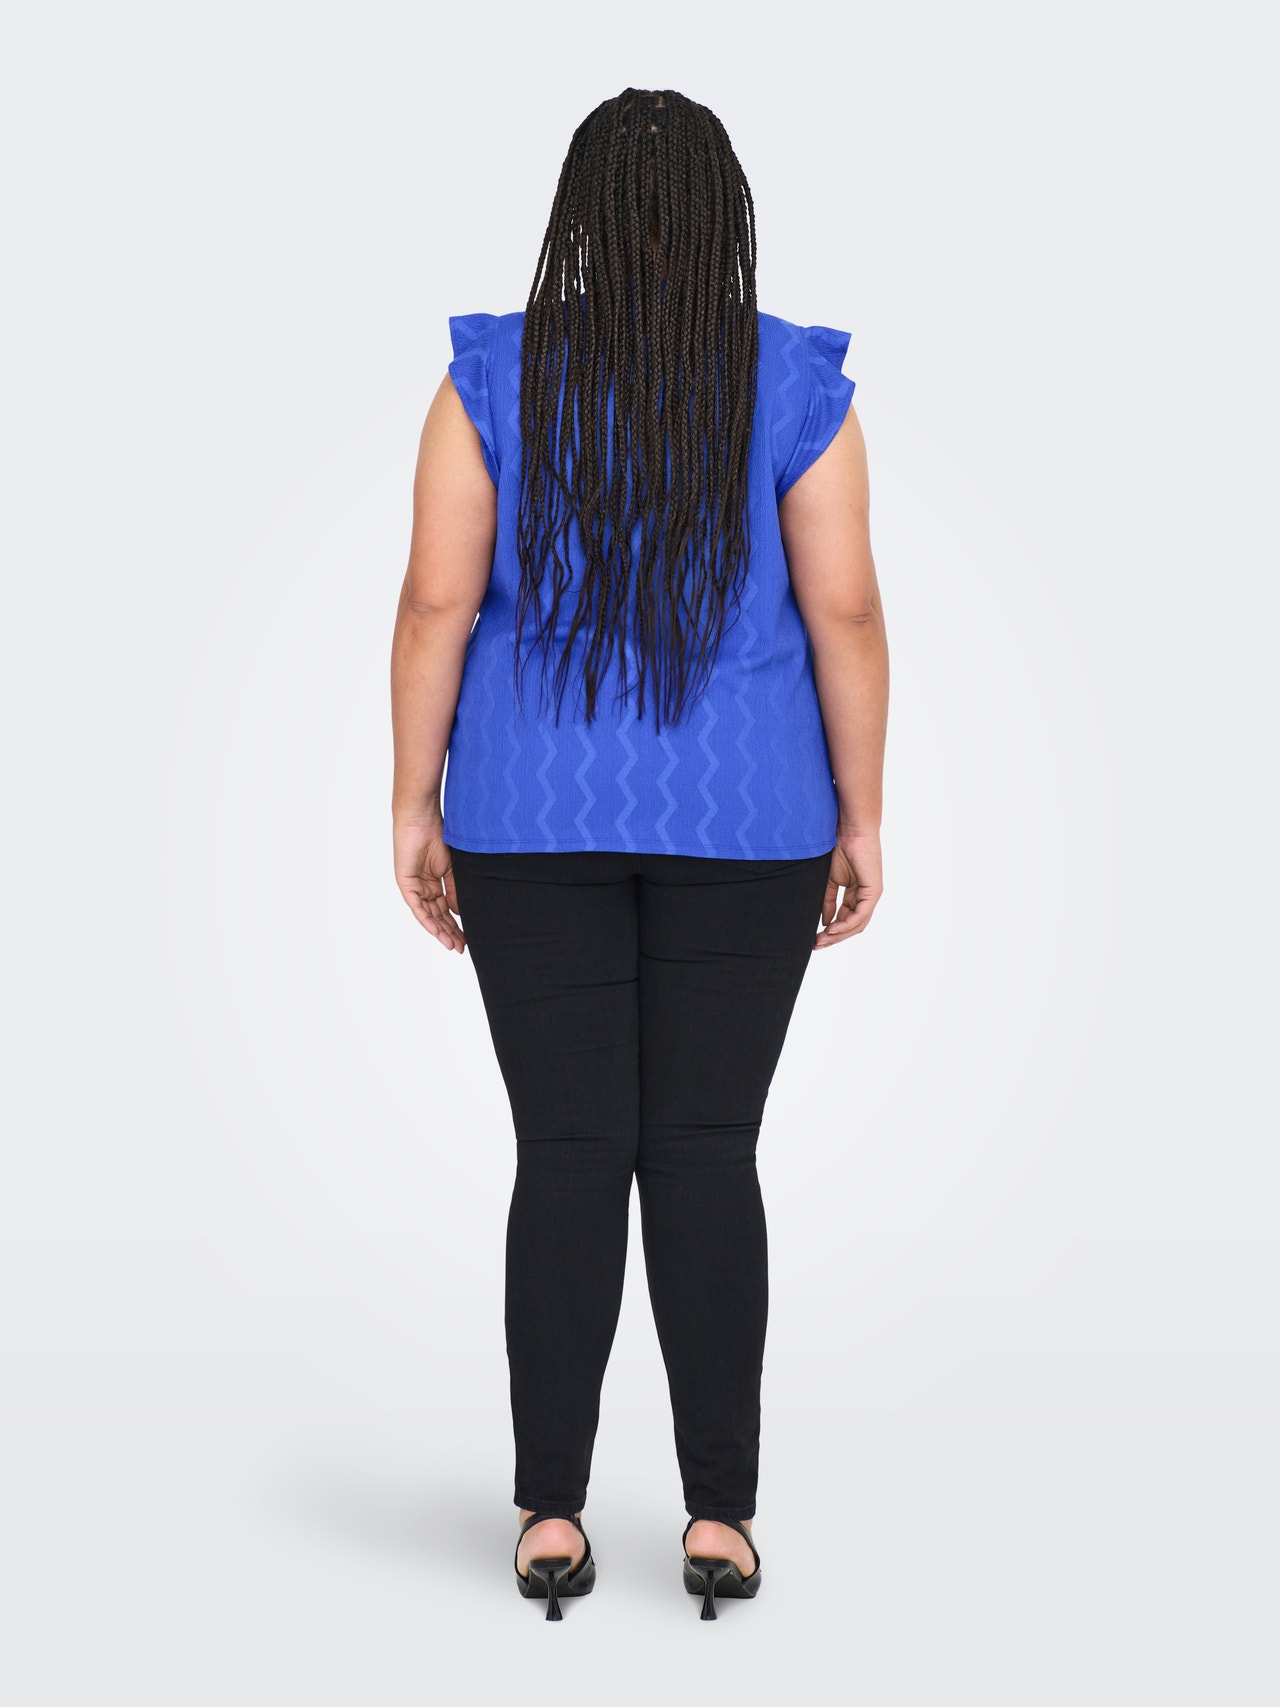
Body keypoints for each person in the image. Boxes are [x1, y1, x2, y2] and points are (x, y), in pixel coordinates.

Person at [389, 87, 888, 1622]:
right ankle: (720, 1522)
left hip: (528, 814)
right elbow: (845, 610)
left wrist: (412, 801)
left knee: (566, 1154)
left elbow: (436, 601)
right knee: (705, 1155)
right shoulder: (792, 383)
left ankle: (548, 1515)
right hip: (749, 820)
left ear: (581, 217)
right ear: (726, 217)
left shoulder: (493, 375)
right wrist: (863, 814)